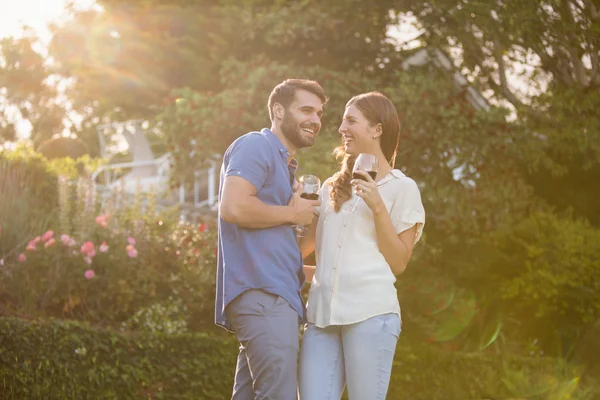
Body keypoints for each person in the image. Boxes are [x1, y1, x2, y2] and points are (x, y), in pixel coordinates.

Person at [298, 91, 425, 399]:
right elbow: (301, 251)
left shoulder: (402, 188)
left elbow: (398, 262)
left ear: (376, 129)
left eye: (351, 120)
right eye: (342, 120)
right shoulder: (331, 187)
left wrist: (378, 207)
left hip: (371, 315)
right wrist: (293, 211)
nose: (341, 128)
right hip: (321, 318)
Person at [216, 78, 327, 400]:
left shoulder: (286, 167)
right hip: (264, 295)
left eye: (319, 114)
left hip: (275, 294)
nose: (315, 120)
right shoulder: (256, 145)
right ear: (278, 110)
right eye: (306, 110)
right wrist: (292, 215)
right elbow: (233, 207)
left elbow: (282, 249)